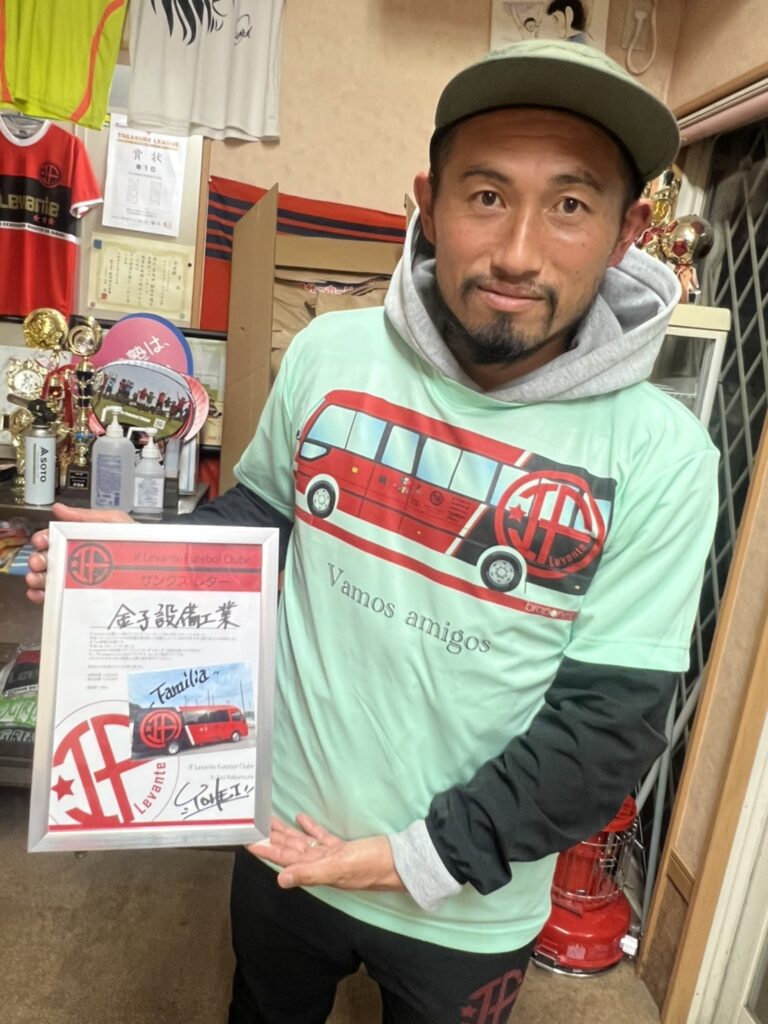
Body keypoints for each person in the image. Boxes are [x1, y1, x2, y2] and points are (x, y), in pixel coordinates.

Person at [27, 40, 719, 1024]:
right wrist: (131, 561)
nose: (518, 252)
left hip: (465, 897)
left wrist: (415, 857)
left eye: (570, 204)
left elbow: (606, 726)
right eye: (486, 195)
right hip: (278, 832)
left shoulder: (665, 455)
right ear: (427, 204)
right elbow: (263, 523)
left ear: (625, 234)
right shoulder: (330, 353)